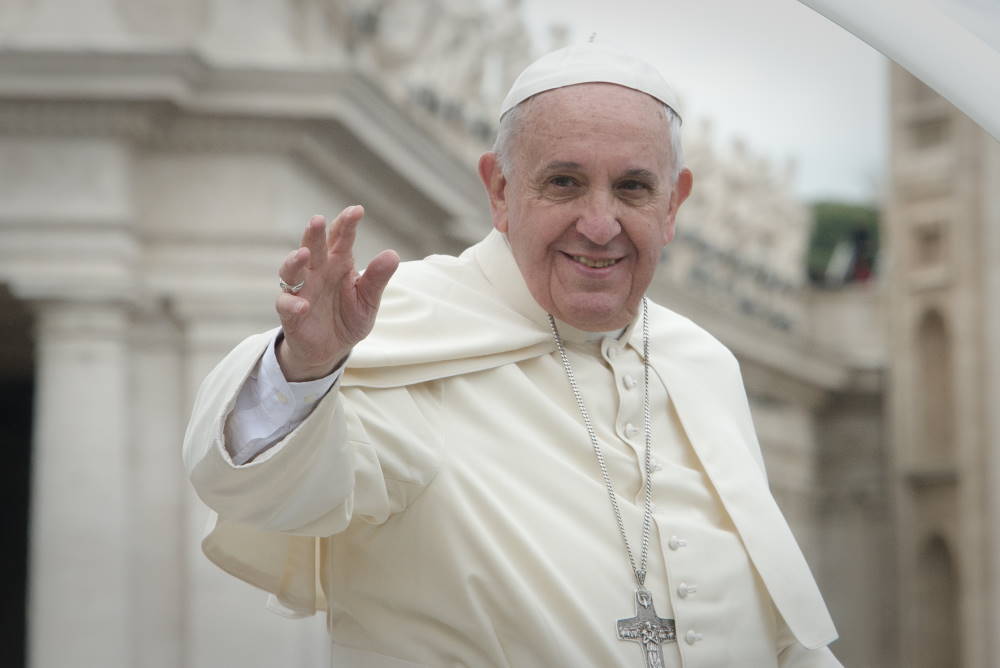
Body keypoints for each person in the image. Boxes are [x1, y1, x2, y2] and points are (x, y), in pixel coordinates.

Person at [184, 42, 843, 667]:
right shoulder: (399, 332)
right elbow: (266, 490)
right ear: (499, 190)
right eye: (564, 182)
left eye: (634, 188)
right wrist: (307, 370)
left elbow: (782, 630)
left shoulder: (703, 364)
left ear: (674, 204)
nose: (600, 223)